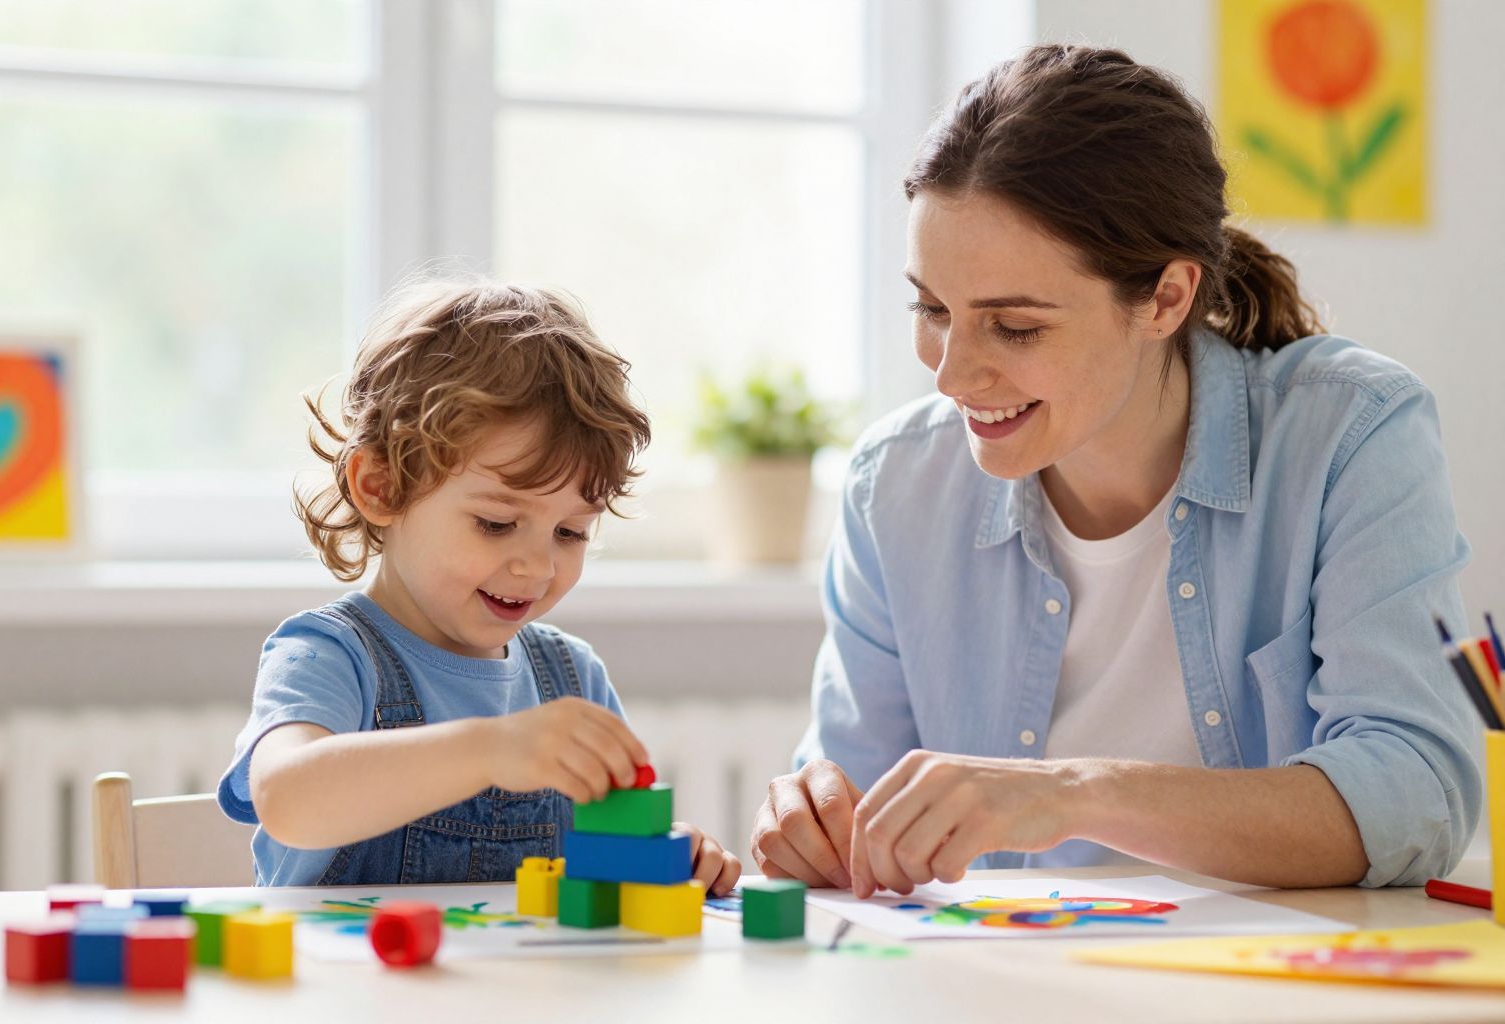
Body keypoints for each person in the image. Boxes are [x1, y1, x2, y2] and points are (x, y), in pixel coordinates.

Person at [751, 44, 1479, 897]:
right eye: (932, 309)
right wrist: (812, 825)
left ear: (1166, 299)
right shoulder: (897, 486)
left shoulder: (1349, 436)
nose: (949, 374)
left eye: (1014, 327)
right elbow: (852, 806)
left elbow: (1414, 793)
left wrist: (1071, 796)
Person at [218, 275, 741, 893]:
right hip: (350, 988)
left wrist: (670, 854)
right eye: (496, 524)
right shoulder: (327, 655)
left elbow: (613, 853)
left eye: (571, 534)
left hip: (523, 988)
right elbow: (286, 796)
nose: (538, 567)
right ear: (382, 488)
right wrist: (492, 750)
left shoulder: (573, 679)